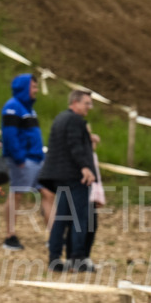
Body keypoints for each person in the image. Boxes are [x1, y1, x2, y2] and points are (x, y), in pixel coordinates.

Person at [39, 89, 97, 272]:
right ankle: (77, 259)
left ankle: (54, 258)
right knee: (79, 219)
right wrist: (85, 167)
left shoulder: (61, 118)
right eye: (86, 103)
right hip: (74, 177)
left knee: (61, 219)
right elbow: (75, 146)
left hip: (60, 177)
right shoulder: (74, 120)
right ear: (75, 102)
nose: (89, 107)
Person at [0, 73, 51, 251]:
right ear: (25, 88)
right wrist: (19, 157)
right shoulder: (12, 107)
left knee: (47, 193)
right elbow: (9, 135)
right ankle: (10, 235)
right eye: (34, 87)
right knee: (17, 194)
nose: (36, 90)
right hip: (23, 159)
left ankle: (54, 236)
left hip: (36, 158)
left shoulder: (29, 109)